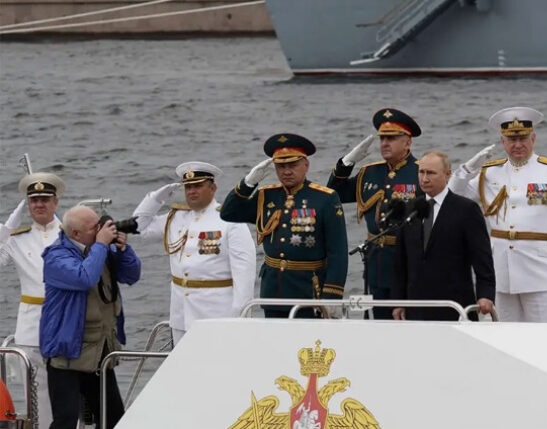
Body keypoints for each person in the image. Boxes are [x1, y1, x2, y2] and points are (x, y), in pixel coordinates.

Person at [448, 106, 547, 323]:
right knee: (504, 341)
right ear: (503, 142)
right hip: (500, 273)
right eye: (511, 140)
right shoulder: (489, 172)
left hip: (541, 273)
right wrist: (465, 171)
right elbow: (452, 197)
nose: (517, 145)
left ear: (533, 138)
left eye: (523, 139)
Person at [220, 134, 348, 318]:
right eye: (281, 166)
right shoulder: (267, 196)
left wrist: (332, 295)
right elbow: (228, 213)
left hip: (309, 292)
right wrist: (248, 183)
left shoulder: (325, 198)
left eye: (292, 165)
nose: (286, 171)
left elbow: (338, 252)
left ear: (306, 165)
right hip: (274, 291)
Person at [40, 205, 141, 429]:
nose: (100, 230)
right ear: (75, 234)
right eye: (94, 228)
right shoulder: (56, 257)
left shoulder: (99, 250)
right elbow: (84, 278)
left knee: (113, 419)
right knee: (65, 420)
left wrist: (123, 251)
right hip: (67, 354)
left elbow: (132, 276)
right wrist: (102, 244)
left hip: (99, 350)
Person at [132, 162, 256, 343]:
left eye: (198, 186)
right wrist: (155, 199)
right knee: (185, 368)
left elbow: (244, 272)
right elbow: (138, 230)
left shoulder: (230, 220)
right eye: (188, 187)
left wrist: (240, 316)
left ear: (212, 188)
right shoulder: (175, 217)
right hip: (181, 314)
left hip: (217, 315)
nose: (192, 191)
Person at [326, 108, 424, 319]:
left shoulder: (420, 172)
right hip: (377, 261)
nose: (385, 144)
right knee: (378, 321)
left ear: (407, 142)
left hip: (408, 260)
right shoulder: (370, 172)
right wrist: (347, 163)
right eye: (382, 139)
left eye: (391, 138)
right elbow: (335, 193)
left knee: (410, 322)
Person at [392, 151, 495, 321]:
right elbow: (401, 261)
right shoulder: (410, 208)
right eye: (421, 172)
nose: (424, 179)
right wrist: (398, 301)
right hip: (416, 304)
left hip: (455, 304)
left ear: (448, 174)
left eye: (431, 173)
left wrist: (485, 294)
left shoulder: (466, 209)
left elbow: (482, 257)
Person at [0, 172, 65, 427]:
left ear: (55, 202)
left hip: (64, 322)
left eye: (45, 199)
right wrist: (8, 226)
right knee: (36, 394)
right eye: (34, 200)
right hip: (32, 325)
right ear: (27, 205)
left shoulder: (70, 233)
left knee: (69, 391)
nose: (39, 204)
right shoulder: (17, 238)